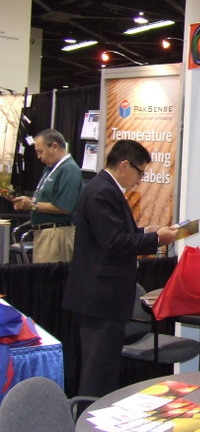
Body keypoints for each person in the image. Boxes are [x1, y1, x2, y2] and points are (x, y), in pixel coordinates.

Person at [62, 139, 179, 397]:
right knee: (98, 371)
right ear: (125, 165)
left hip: (105, 296)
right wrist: (156, 239)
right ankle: (89, 415)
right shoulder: (102, 191)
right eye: (140, 173)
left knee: (104, 368)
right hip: (100, 297)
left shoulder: (105, 188)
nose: (139, 180)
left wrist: (145, 232)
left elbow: (113, 233)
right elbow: (113, 242)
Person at [12, 129, 83, 263]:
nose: (39, 157)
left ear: (54, 147)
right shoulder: (50, 169)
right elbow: (44, 199)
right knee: (41, 274)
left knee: (51, 275)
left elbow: (64, 207)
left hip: (57, 234)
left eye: (41, 151)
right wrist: (25, 202)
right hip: (43, 234)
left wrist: (32, 205)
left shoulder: (70, 170)